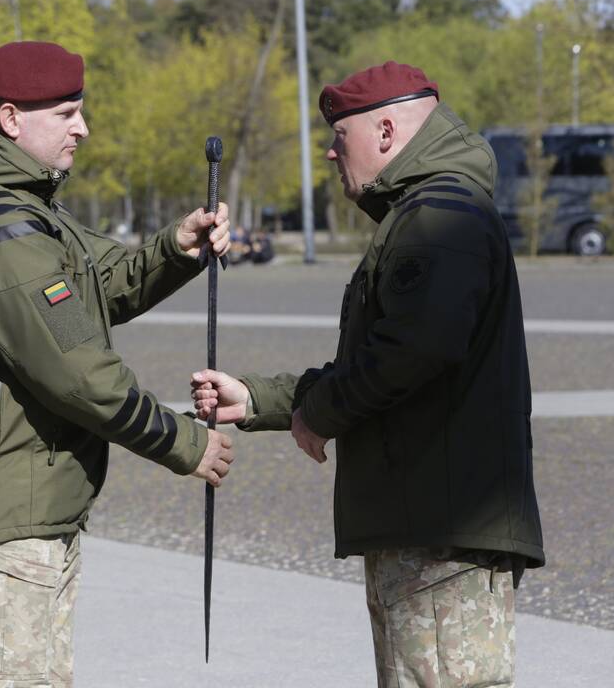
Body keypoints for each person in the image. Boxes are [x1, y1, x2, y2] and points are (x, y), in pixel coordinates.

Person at [191, 61, 544, 688]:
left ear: (385, 131)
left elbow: (415, 349)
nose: (329, 152)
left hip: (441, 532)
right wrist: (261, 401)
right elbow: (382, 359)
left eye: (339, 135)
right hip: (426, 524)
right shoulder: (426, 211)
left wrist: (319, 414)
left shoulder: (439, 216)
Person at [0, 41, 235, 688]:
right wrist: (181, 442)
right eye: (67, 113)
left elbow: (102, 280)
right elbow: (78, 371)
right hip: (2, 528)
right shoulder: (0, 225)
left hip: (33, 514)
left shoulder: (29, 210)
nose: (82, 129)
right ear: (10, 120)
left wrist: (177, 247)